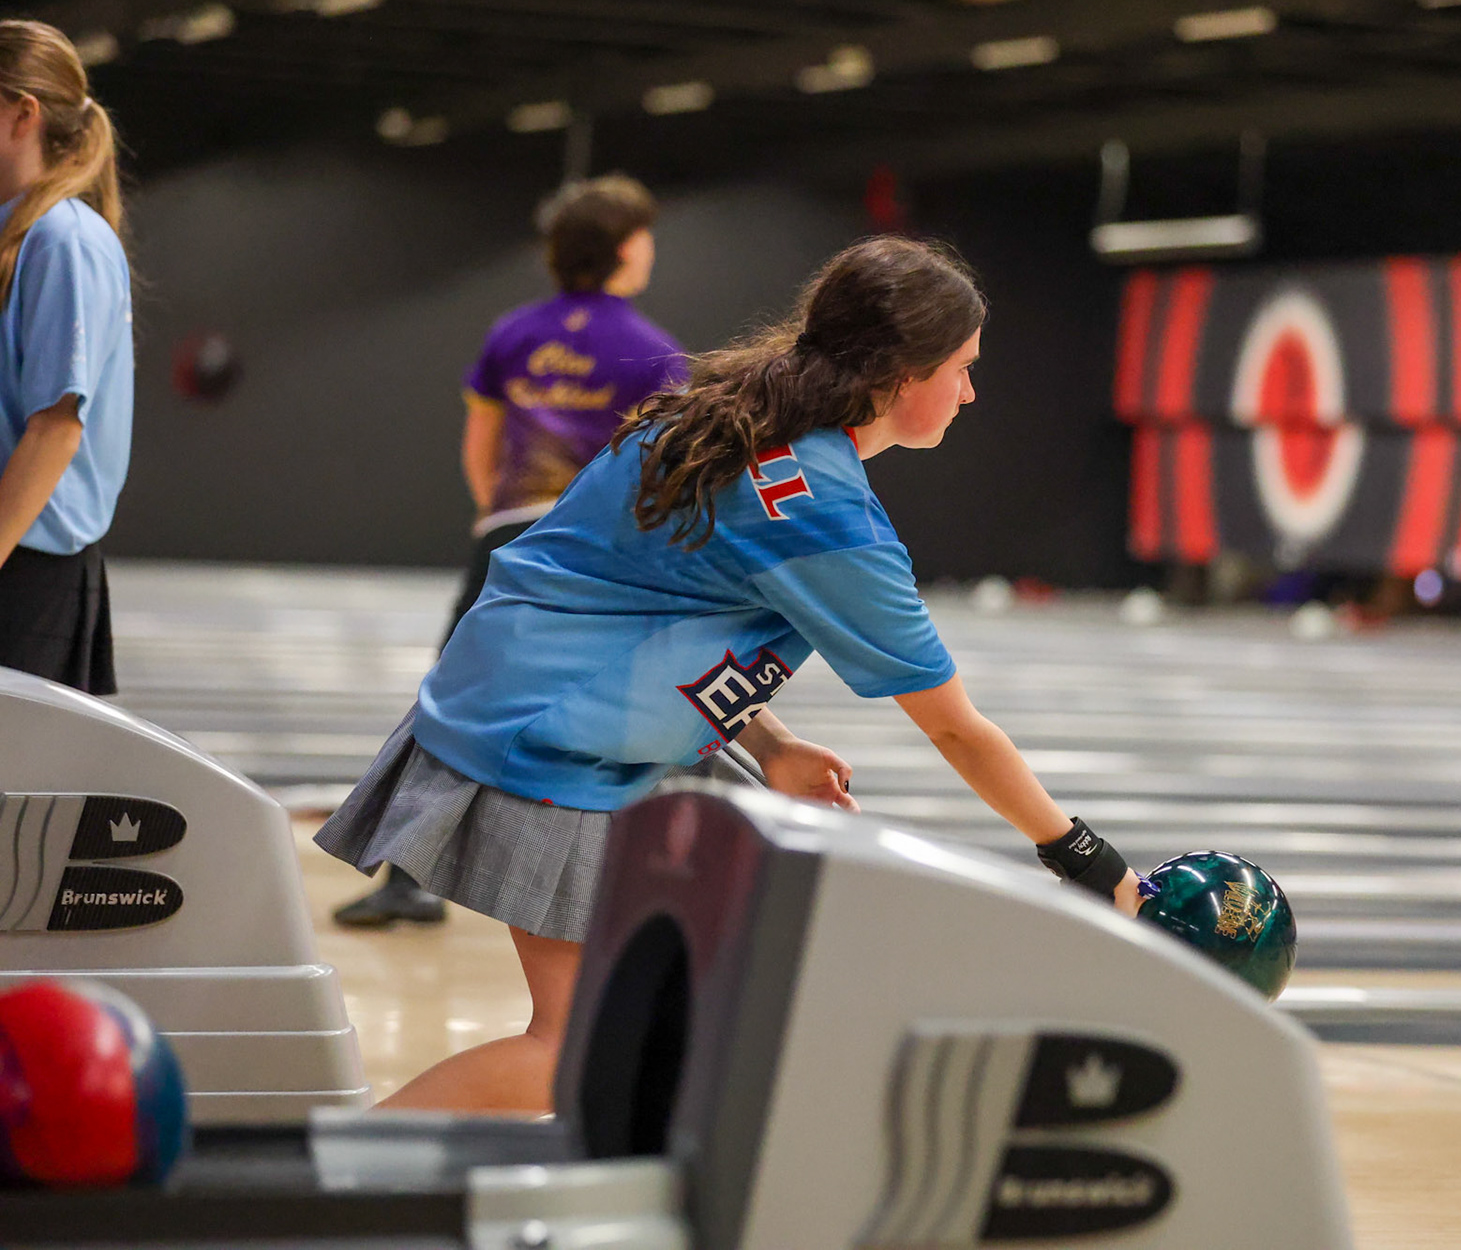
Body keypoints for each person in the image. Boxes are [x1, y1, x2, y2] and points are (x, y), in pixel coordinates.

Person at [314, 236, 1145, 1114]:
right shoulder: (825, 518)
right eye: (964, 368)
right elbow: (953, 727)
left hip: (527, 701)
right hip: (546, 739)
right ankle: (329, 1190)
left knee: (672, 1016)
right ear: (903, 373)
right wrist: (1082, 855)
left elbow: (650, 602)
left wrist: (772, 742)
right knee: (572, 1049)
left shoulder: (726, 410)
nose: (972, 392)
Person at [333, 173, 686, 928]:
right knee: (619, 713)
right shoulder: (656, 352)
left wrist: (497, 515)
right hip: (598, 553)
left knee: (454, 704)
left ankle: (406, 880)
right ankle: (631, 890)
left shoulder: (514, 333)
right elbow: (664, 471)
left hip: (508, 535)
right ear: (626, 249)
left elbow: (481, 445)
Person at [0, 21, 132, 697]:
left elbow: (56, 426)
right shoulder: (18, 230)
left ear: (22, 113)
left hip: (28, 573)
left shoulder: (62, 239)